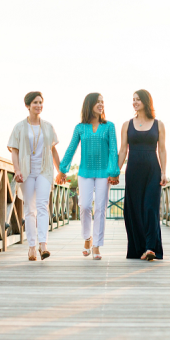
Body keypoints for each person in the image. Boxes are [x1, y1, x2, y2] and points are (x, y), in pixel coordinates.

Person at [56, 93, 120, 260]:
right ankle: (87, 238)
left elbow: (114, 151)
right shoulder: (80, 127)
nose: (101, 104)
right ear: (89, 104)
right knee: (84, 206)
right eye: (97, 102)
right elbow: (71, 149)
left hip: (103, 173)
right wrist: (62, 169)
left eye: (102, 102)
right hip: (84, 172)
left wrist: (114, 172)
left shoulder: (109, 126)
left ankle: (97, 245)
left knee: (100, 208)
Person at [7, 91, 61, 261]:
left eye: (40, 102)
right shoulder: (19, 127)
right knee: (30, 209)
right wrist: (17, 170)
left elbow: (53, 150)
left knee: (42, 206)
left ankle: (43, 245)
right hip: (26, 172)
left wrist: (60, 170)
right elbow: (14, 151)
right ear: (28, 106)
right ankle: (31, 247)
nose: (39, 105)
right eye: (35, 103)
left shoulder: (48, 126)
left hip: (44, 170)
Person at [118, 89, 167, 261]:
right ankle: (139, 248)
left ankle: (150, 247)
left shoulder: (158, 124)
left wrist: (164, 172)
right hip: (133, 172)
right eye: (133, 100)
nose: (135, 102)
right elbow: (123, 150)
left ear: (146, 102)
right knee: (134, 210)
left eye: (138, 99)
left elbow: (162, 150)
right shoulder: (127, 124)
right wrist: (116, 172)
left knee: (150, 208)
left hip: (152, 171)